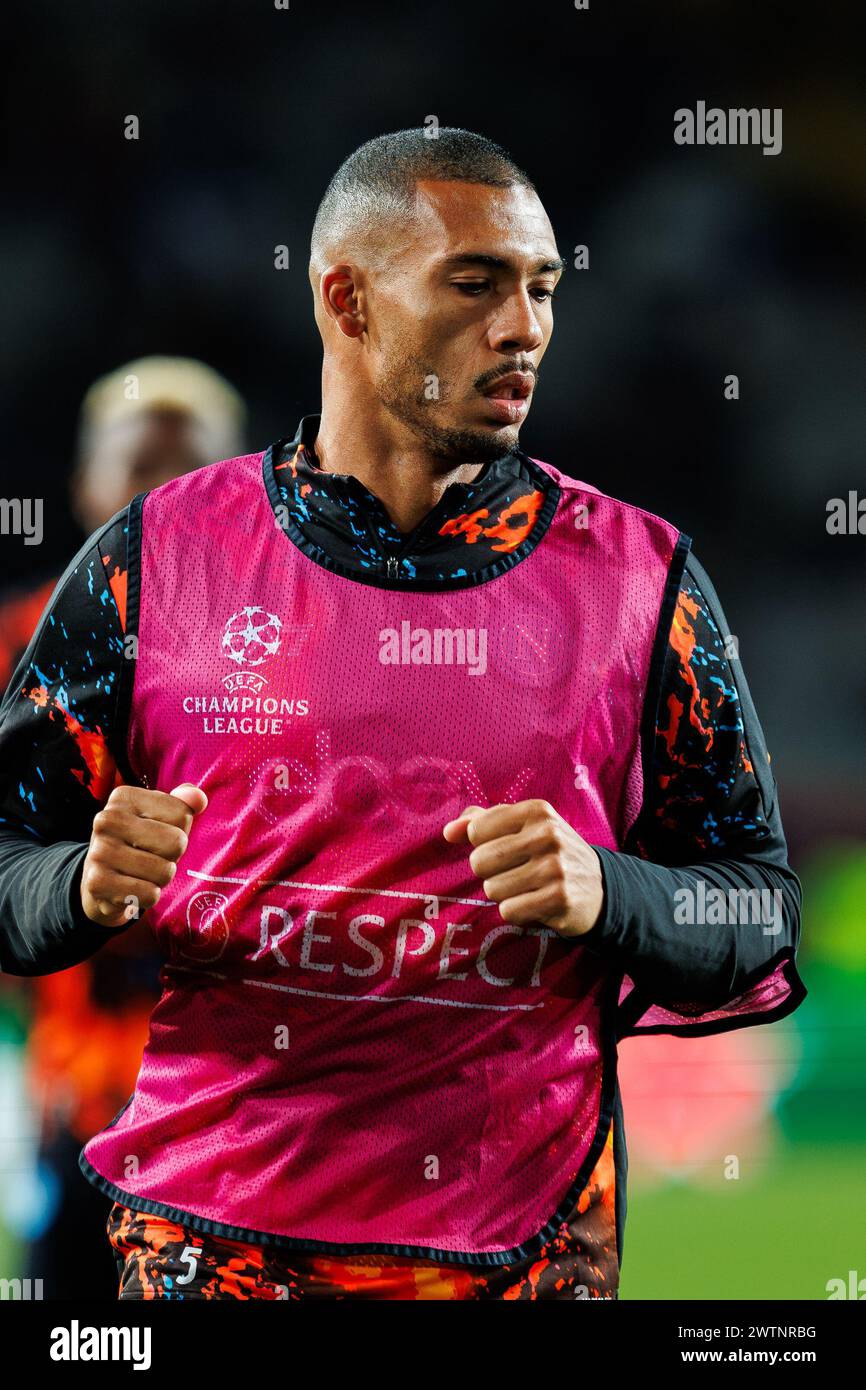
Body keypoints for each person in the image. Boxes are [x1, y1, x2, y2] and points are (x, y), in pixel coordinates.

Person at [0, 129, 805, 1301]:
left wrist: (610, 889)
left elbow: (756, 906)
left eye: (540, 288)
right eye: (474, 283)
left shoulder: (641, 581)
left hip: (521, 1266)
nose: (522, 325)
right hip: (207, 1262)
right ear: (347, 299)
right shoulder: (154, 560)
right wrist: (77, 885)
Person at [0, 356, 246, 1298]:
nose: (161, 500)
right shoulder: (21, 653)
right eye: (139, 470)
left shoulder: (294, 660)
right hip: (83, 1103)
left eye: (190, 475)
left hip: (246, 1121)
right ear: (87, 487)